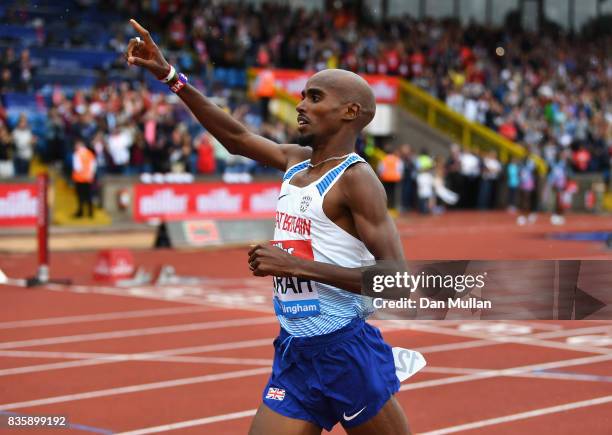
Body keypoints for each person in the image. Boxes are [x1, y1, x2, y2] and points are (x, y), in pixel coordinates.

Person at [126, 19, 410, 435]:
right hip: (296, 351)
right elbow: (237, 137)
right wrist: (170, 76)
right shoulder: (296, 160)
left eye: (315, 97)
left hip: (345, 352)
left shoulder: (357, 180)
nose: (300, 105)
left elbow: (397, 280)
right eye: (302, 96)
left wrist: (296, 266)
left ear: (351, 112)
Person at [71, 139, 96, 218]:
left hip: (79, 178)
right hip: (88, 178)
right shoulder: (90, 153)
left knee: (80, 195)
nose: (75, 146)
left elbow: (77, 167)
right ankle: (90, 212)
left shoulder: (77, 154)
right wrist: (90, 175)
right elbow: (93, 166)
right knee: (88, 195)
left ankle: (80, 212)